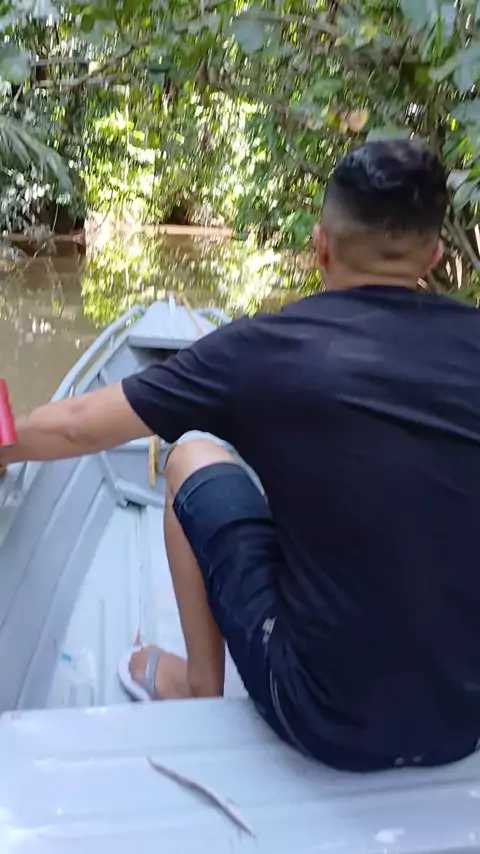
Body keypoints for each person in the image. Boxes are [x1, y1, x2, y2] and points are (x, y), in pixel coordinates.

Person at [2, 140, 480, 772]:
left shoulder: (261, 350)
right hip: (464, 721)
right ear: (435, 256)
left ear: (321, 247)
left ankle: (198, 684)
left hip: (323, 720)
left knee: (190, 453)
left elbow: (74, 430)